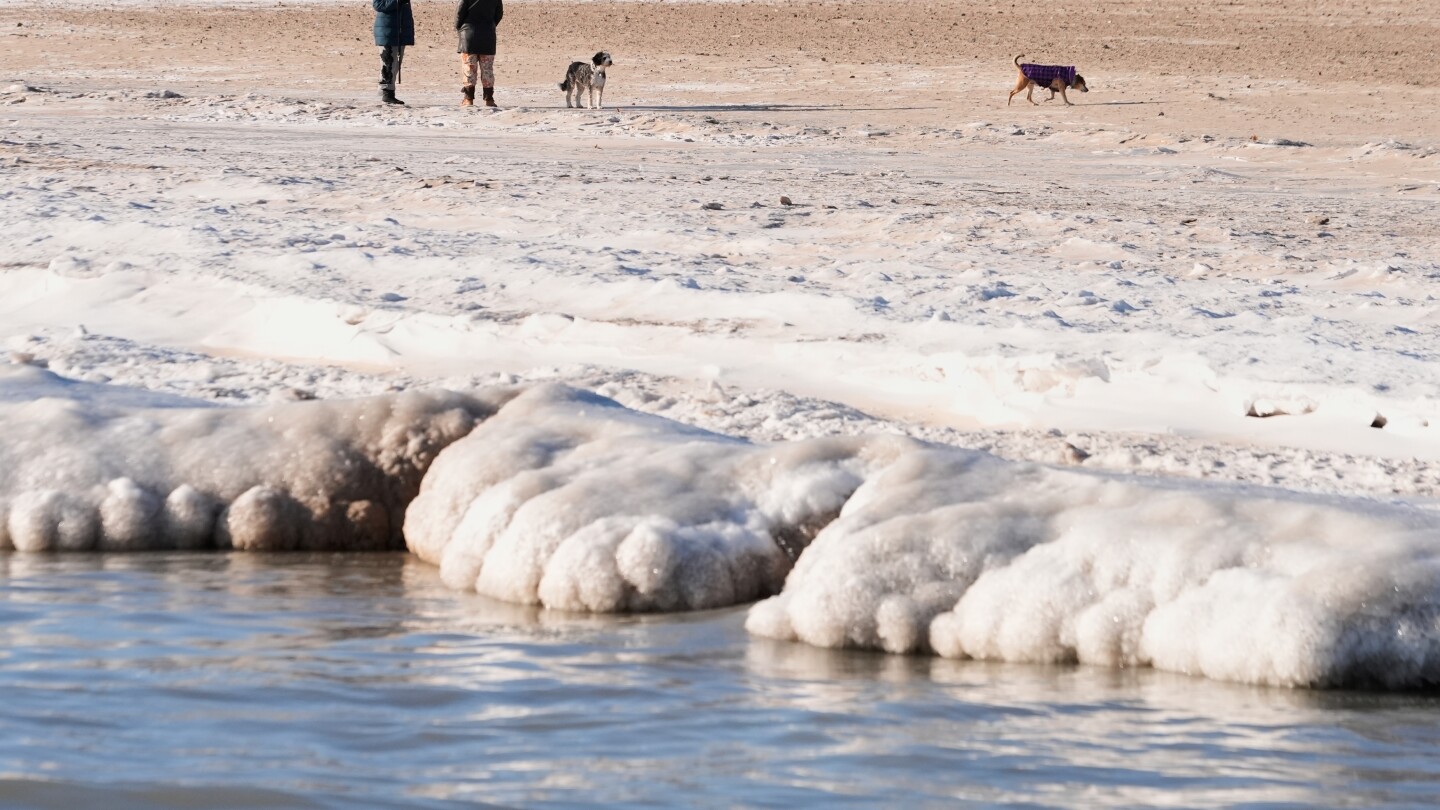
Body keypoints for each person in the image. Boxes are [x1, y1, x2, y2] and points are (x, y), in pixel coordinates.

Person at [455, 0, 503, 107]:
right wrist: (490, 25)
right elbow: (499, 14)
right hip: (488, 34)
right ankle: (489, 99)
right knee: (487, 69)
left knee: (469, 69)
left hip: (468, 35)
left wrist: (460, 28)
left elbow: (459, 13)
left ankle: (468, 99)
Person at [373, 0, 415, 106]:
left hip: (399, 31)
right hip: (387, 30)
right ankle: (386, 93)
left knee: (395, 64)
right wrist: (396, 2)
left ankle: (389, 92)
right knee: (388, 62)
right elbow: (378, 5)